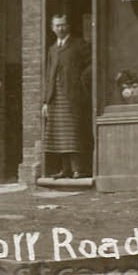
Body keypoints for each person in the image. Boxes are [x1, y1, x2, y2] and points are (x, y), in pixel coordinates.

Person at [40, 13, 92, 179]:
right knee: (59, 135)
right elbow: (48, 75)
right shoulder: (52, 49)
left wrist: (80, 81)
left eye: (63, 25)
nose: (60, 29)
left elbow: (92, 65)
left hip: (73, 96)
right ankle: (65, 169)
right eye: (57, 26)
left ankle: (79, 169)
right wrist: (46, 101)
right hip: (55, 96)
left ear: (68, 26)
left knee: (73, 133)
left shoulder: (79, 44)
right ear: (52, 28)